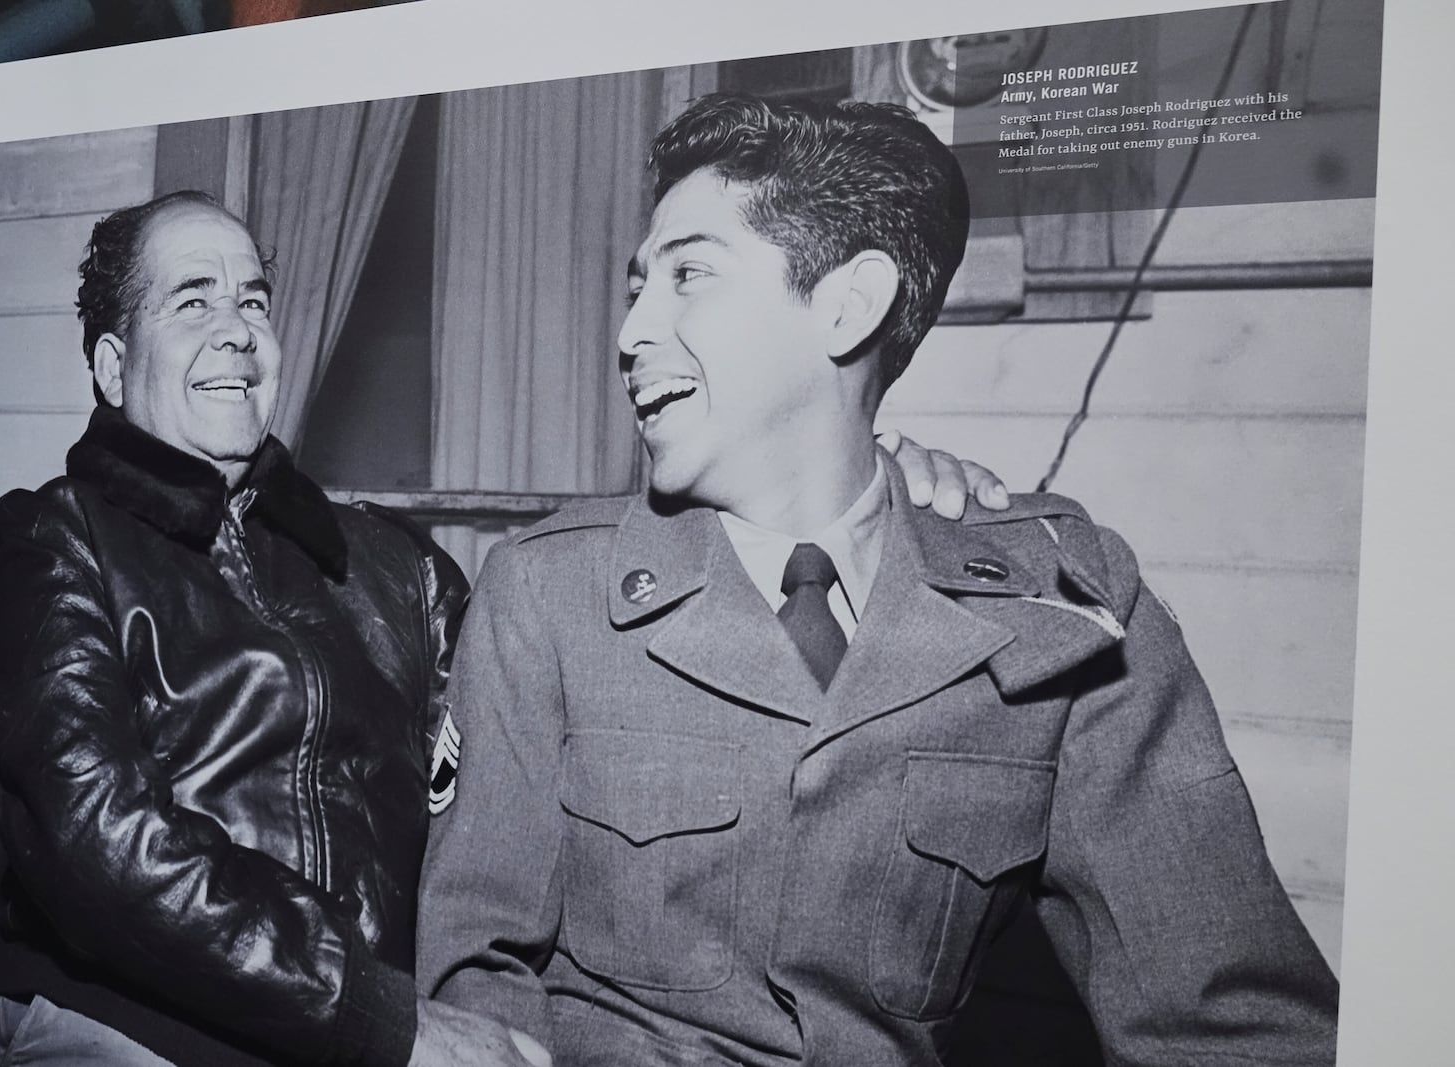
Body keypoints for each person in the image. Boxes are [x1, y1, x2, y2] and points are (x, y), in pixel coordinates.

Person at [0, 188, 999, 1067]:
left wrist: (846, 494)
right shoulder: (60, 544)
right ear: (110, 365)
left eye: (253, 298)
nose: (238, 327)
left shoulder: (390, 563)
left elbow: (560, 733)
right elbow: (98, 844)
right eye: (193, 302)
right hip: (130, 1027)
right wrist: (382, 1017)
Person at [415, 93, 1340, 1067]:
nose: (631, 330)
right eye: (638, 282)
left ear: (847, 304)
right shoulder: (548, 592)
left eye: (688, 274)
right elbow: (475, 985)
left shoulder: (1061, 602)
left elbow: (1225, 1016)